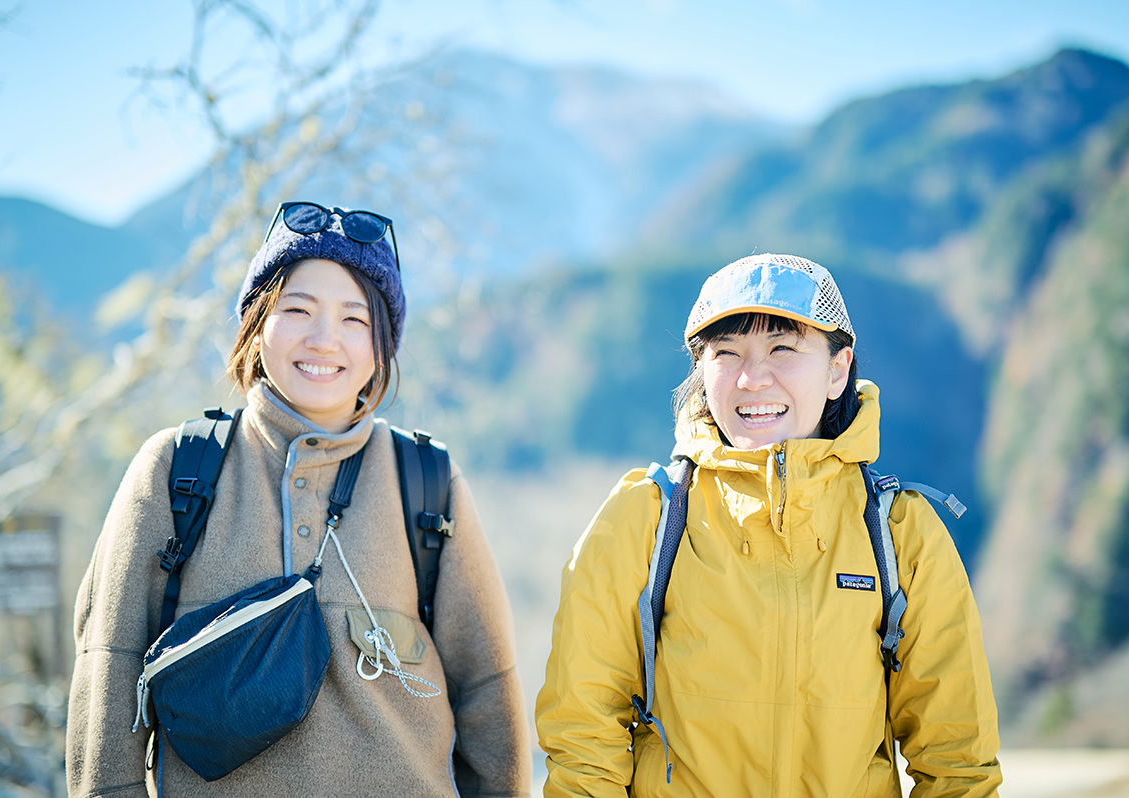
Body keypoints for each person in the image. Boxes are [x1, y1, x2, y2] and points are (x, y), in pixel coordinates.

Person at [67, 202, 532, 797]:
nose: (323, 339)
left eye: (354, 319)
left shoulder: (426, 481)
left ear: (383, 345)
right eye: (297, 310)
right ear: (257, 323)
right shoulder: (177, 470)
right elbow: (108, 667)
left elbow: (487, 689)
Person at [535, 254, 1001, 797]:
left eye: (782, 349)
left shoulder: (900, 532)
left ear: (837, 370)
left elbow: (957, 762)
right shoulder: (645, 519)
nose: (751, 378)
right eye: (726, 353)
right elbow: (583, 741)